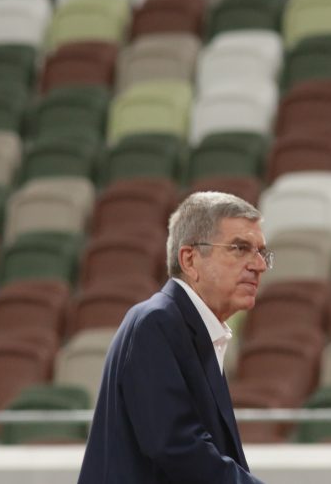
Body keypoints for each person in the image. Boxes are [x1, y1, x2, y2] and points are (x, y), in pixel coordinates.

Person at [77, 191, 271, 484]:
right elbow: (177, 447)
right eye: (240, 248)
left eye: (261, 252)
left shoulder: (188, 328)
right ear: (190, 260)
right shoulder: (156, 323)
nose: (259, 265)